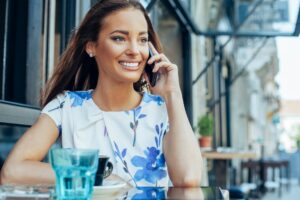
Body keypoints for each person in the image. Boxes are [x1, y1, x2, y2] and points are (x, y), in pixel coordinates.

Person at [1, 0, 202, 187]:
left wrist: (172, 95)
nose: (134, 50)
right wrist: (99, 176)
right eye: (119, 38)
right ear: (91, 46)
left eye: (142, 40)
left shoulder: (161, 108)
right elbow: (12, 172)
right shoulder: (66, 106)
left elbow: (188, 178)